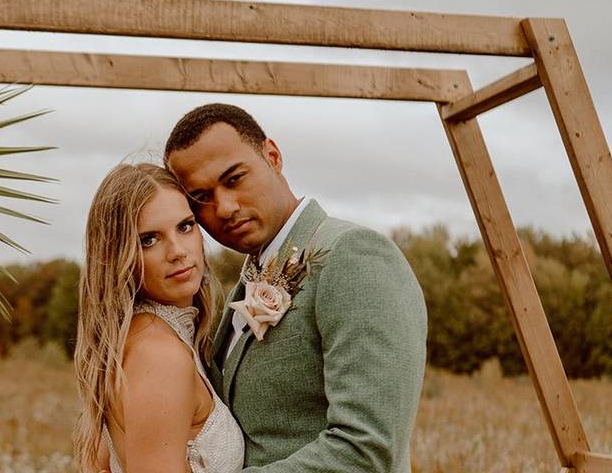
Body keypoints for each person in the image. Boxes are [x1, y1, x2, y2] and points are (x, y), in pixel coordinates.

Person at [164, 103, 428, 473]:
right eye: (202, 198)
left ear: (272, 156)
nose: (223, 208)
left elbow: (367, 450)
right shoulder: (247, 278)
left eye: (234, 179)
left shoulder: (354, 256)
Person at [74, 162, 245, 473]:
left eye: (185, 226)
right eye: (149, 239)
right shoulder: (159, 355)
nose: (178, 251)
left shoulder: (149, 340)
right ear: (118, 257)